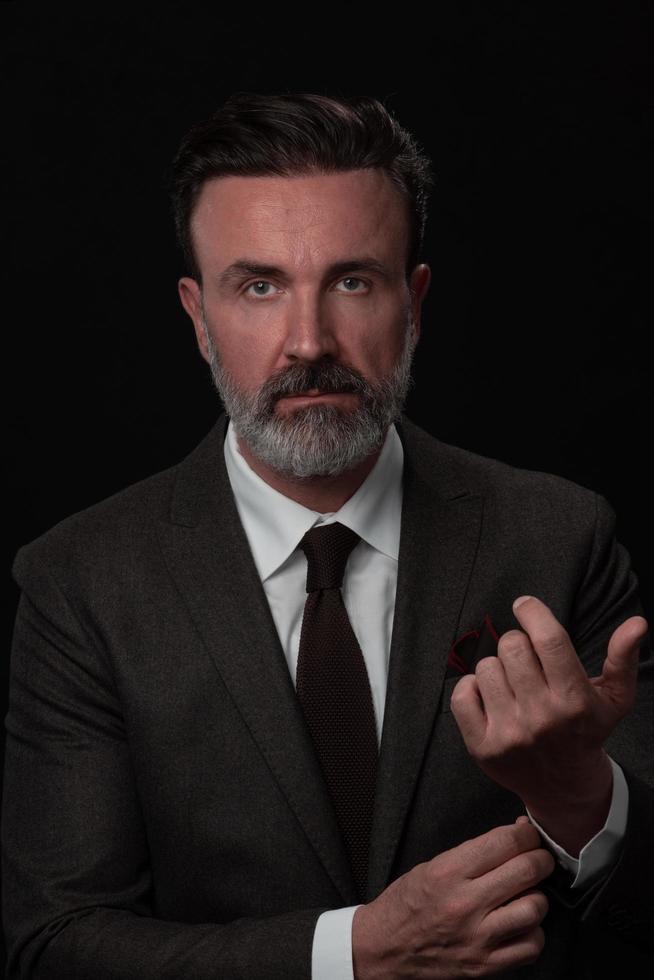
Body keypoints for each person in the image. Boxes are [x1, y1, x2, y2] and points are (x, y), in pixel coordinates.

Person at [2, 91, 652, 979]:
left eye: (353, 281)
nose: (309, 341)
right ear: (197, 316)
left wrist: (580, 797)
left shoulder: (561, 537)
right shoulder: (80, 584)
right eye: (259, 285)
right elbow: (54, 948)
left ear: (413, 302)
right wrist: (352, 953)